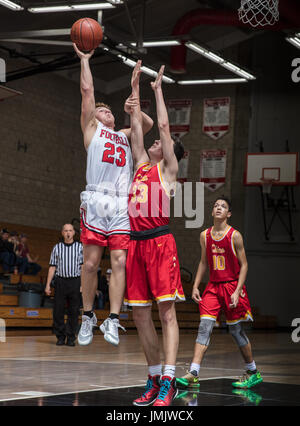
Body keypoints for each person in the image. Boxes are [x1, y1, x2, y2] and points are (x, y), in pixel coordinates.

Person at [72, 43, 153, 347]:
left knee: (119, 260)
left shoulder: (123, 134)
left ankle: (114, 318)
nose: (104, 111)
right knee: (91, 264)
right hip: (95, 200)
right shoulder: (92, 131)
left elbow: (145, 124)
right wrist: (84, 60)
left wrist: (134, 99)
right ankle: (88, 315)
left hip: (121, 203)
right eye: (100, 109)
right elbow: (87, 93)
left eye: (108, 109)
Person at [125, 61, 185, 407]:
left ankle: (169, 380)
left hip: (161, 244)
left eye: (162, 143)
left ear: (168, 152)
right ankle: (152, 376)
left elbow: (161, 124)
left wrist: (157, 90)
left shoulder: (168, 171)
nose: (155, 143)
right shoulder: (140, 165)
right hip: (136, 246)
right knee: (140, 314)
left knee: (167, 314)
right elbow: (136, 125)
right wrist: (134, 87)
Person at [176, 197, 263, 390]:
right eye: (216, 205)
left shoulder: (235, 236)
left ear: (229, 214)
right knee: (204, 327)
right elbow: (203, 262)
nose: (218, 208)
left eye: (223, 206)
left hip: (232, 287)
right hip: (213, 287)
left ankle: (252, 371)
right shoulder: (204, 235)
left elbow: (245, 265)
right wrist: (196, 285)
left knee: (236, 331)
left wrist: (238, 290)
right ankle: (194, 373)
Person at [45, 224, 83, 347]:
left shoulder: (79, 247)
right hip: (60, 281)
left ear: (74, 233)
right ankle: (60, 336)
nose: (68, 233)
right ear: (62, 233)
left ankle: (71, 337)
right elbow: (52, 267)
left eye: (70, 230)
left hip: (75, 281)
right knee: (58, 310)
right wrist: (47, 285)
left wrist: (83, 284)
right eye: (66, 230)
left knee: (74, 311)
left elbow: (83, 267)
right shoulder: (57, 248)